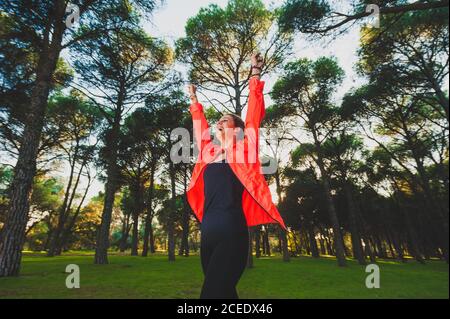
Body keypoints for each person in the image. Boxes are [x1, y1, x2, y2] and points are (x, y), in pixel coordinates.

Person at [187, 53, 287, 299]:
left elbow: (254, 111)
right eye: (218, 120)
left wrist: (255, 72)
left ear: (239, 130)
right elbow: (199, 125)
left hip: (232, 231)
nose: (218, 122)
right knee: (224, 294)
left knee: (210, 296)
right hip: (207, 233)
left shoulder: (245, 148)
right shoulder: (208, 152)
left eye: (225, 120)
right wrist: (193, 98)